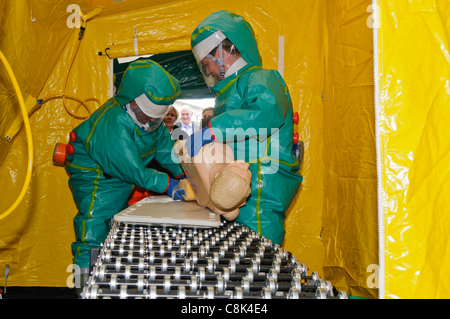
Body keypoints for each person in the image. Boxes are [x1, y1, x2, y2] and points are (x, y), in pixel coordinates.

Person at [65, 60, 186, 296]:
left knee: (114, 226)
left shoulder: (153, 123)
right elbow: (134, 171)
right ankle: (83, 288)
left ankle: (107, 284)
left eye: (156, 119)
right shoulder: (113, 121)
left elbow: (164, 150)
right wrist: (169, 184)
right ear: (132, 101)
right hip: (96, 177)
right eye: (147, 116)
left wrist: (183, 173)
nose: (151, 123)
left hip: (121, 174)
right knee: (93, 229)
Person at [188, 10, 303, 245]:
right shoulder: (227, 93)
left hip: (260, 182)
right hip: (238, 182)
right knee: (239, 251)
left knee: (259, 249)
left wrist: (212, 130)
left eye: (207, 63)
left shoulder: (261, 78)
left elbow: (266, 112)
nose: (207, 71)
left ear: (221, 52)